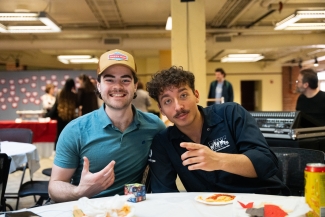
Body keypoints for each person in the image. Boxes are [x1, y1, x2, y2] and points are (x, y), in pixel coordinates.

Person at [146, 66, 289, 195]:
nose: (178, 107)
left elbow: (266, 163)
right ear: (161, 110)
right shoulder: (163, 142)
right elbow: (164, 194)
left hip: (263, 200)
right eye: (168, 101)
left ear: (196, 95)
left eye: (183, 95)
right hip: (210, 209)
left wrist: (218, 160)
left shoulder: (231, 114)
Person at [48, 49, 166, 203]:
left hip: (130, 210)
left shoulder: (154, 126)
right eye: (109, 80)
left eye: (125, 80)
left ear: (135, 85)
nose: (118, 86)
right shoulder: (75, 130)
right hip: (86, 210)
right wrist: (80, 191)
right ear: (98, 85)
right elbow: (54, 187)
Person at [47, 78, 78, 150]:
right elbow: (76, 105)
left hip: (61, 116)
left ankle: (56, 150)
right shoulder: (74, 95)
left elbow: (56, 105)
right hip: (71, 117)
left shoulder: (59, 93)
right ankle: (69, 150)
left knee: (59, 134)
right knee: (70, 135)